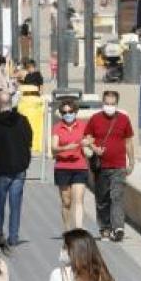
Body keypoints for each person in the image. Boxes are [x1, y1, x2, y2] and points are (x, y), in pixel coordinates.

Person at [84, 90, 136, 242]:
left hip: (119, 166)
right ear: (102, 103)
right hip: (100, 166)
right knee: (102, 199)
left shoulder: (124, 119)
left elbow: (128, 141)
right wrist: (95, 149)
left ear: (117, 104)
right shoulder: (95, 119)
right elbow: (88, 138)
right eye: (107, 103)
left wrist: (131, 161)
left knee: (117, 196)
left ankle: (118, 228)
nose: (109, 106)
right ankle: (104, 228)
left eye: (112, 104)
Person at [0, 91, 33, 247]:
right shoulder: (23, 121)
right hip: (19, 168)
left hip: (1, 169)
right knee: (15, 204)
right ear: (11, 103)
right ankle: (13, 237)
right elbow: (29, 142)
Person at [51, 98, 90, 232]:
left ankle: (78, 230)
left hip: (80, 166)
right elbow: (53, 148)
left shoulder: (83, 126)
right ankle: (67, 229)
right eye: (64, 112)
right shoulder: (57, 128)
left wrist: (88, 143)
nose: (68, 114)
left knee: (78, 199)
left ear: (75, 111)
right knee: (66, 201)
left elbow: (90, 139)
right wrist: (67, 148)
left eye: (70, 111)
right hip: (62, 167)